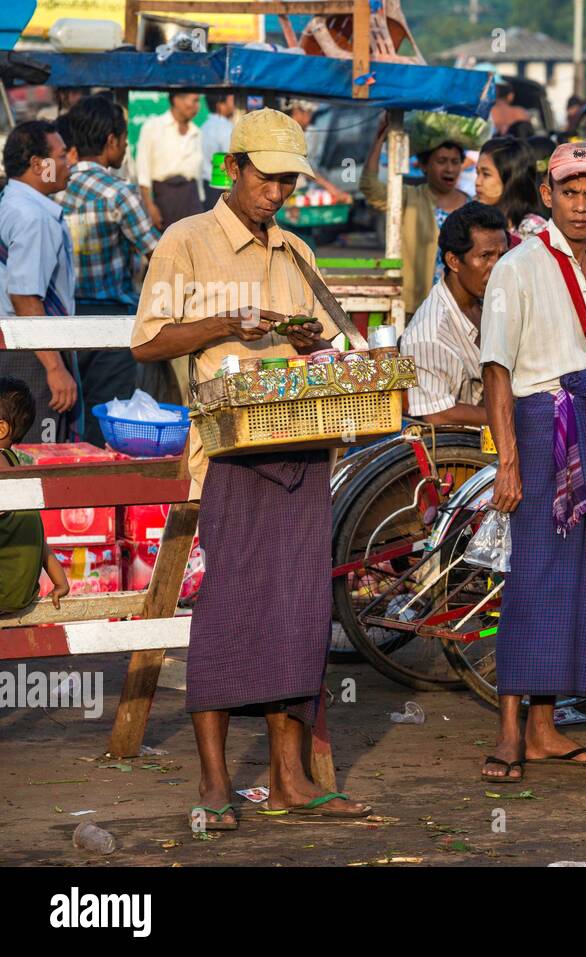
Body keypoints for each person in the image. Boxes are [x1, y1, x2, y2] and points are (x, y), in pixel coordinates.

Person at [130, 109, 371, 828]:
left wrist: (305, 340)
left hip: (300, 450)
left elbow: (329, 344)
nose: (277, 193)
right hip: (232, 457)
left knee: (298, 616)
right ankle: (212, 782)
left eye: (288, 181)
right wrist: (229, 324)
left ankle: (290, 778)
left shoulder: (295, 250)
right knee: (230, 611)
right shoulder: (187, 241)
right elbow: (148, 341)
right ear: (232, 168)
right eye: (267, 178)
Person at [478, 142, 586, 781]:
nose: (580, 205)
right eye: (569, 193)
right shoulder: (517, 266)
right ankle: (508, 732)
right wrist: (510, 464)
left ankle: (547, 730)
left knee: (583, 579)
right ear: (547, 195)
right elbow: (496, 371)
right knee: (534, 579)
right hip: (540, 425)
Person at [60, 95, 162, 447]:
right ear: (111, 142)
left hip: (59, 318)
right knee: (107, 419)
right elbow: (158, 254)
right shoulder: (119, 192)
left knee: (68, 416)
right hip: (110, 318)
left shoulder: (56, 187)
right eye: (123, 139)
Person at [0, 121, 78, 444]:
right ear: (37, 164)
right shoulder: (34, 216)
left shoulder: (10, 203)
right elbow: (24, 296)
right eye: (61, 157)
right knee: (34, 456)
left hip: (15, 346)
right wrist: (55, 367)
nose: (68, 163)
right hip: (31, 353)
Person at [401, 202, 508, 426]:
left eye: (501, 255)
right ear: (454, 261)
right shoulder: (429, 335)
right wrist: (515, 416)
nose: (497, 267)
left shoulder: (491, 301)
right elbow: (438, 413)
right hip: (460, 452)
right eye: (486, 256)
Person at [362, 115, 470, 314]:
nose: (449, 168)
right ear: (423, 165)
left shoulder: (471, 206)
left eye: (455, 162)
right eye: (442, 161)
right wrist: (379, 138)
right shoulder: (408, 197)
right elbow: (370, 187)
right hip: (417, 307)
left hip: (460, 307)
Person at [0, 377, 70, 614]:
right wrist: (60, 581)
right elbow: (36, 537)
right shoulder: (16, 467)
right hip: (22, 593)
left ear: (1, 429)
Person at [136, 92, 204, 230]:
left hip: (191, 197)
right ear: (177, 100)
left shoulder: (196, 132)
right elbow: (143, 172)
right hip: (164, 197)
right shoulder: (153, 127)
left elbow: (198, 176)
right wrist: (149, 206)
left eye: (199, 102)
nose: (197, 107)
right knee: (167, 247)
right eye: (194, 101)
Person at [475, 136, 547, 242]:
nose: (477, 182)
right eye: (477, 173)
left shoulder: (532, 230)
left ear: (511, 180)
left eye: (486, 174)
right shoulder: (473, 220)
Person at [200, 93, 237, 209]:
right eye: (231, 100)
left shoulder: (204, 126)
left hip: (206, 186)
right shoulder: (226, 128)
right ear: (220, 105)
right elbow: (230, 161)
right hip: (223, 188)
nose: (234, 105)